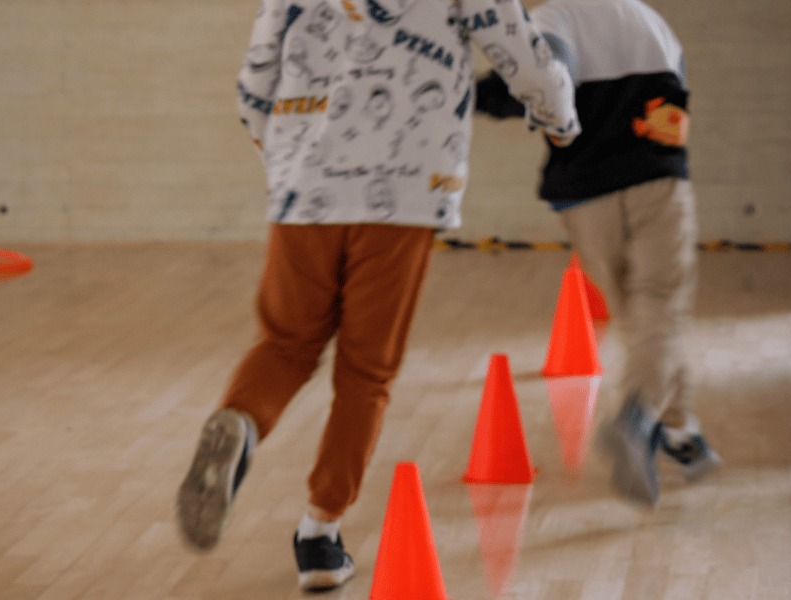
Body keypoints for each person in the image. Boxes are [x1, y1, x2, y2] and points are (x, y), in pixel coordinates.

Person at [176, 0, 580, 592]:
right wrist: (562, 117)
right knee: (366, 370)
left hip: (304, 184)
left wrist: (284, 158)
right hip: (404, 190)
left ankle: (241, 420)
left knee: (287, 342)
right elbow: (518, 50)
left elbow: (258, 73)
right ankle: (319, 533)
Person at [474, 0, 721, 506]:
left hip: (588, 195)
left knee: (641, 315)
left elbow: (541, 86)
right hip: (659, 182)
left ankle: (681, 434)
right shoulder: (653, 24)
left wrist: (467, 90)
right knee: (659, 308)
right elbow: (678, 111)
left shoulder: (551, 22)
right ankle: (642, 420)